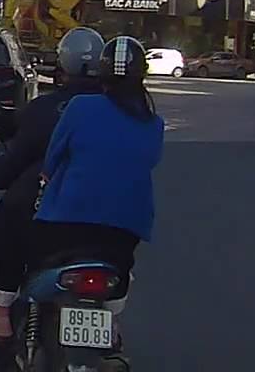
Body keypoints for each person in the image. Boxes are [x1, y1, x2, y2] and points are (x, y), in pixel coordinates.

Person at [0, 27, 105, 340]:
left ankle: (0, 319)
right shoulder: (125, 111)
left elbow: (15, 158)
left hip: (47, 213)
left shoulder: (48, 110)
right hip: (108, 217)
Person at [32, 36, 165, 338]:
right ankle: (112, 328)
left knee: (37, 265)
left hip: (68, 217)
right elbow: (149, 161)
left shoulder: (80, 107)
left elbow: (52, 158)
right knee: (119, 272)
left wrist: (47, 178)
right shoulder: (153, 123)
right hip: (128, 226)